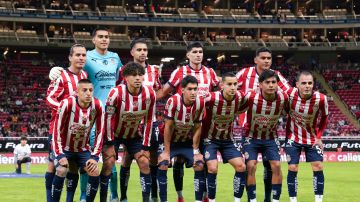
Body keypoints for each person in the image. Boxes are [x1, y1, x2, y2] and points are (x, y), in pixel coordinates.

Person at [49, 27, 122, 202]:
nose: (104, 40)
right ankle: (81, 197)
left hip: (109, 118)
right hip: (88, 119)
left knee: (110, 162)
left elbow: (123, 76)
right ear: (93, 40)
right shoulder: (87, 57)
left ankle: (113, 196)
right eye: (101, 37)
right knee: (77, 166)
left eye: (107, 37)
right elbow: (72, 67)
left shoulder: (115, 58)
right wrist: (54, 70)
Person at [157, 41, 219, 202]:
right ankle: (180, 196)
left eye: (201, 52)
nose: (198, 54)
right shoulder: (180, 72)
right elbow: (164, 91)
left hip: (204, 123)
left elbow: (219, 92)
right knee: (178, 161)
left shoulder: (210, 72)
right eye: (195, 52)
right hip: (181, 122)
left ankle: (204, 196)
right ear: (188, 55)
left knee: (203, 160)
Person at [235, 47, 291, 202]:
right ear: (256, 60)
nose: (266, 61)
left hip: (269, 130)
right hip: (249, 129)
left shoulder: (276, 76)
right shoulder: (244, 74)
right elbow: (229, 86)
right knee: (250, 166)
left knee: (271, 166)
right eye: (263, 58)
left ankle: (268, 198)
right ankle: (250, 198)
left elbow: (290, 92)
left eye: (269, 58)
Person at [116, 38, 162, 202]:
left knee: (152, 158)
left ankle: (153, 195)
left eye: (145, 50)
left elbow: (159, 91)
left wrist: (151, 101)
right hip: (130, 123)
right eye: (139, 50)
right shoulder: (124, 70)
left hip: (151, 121)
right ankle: (123, 196)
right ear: (132, 52)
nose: (143, 52)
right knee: (127, 157)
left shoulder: (155, 71)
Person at [103, 62, 156, 202]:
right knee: (108, 164)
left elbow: (149, 120)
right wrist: (109, 144)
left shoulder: (150, 94)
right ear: (125, 77)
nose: (138, 78)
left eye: (140, 75)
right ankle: (108, 197)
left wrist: (146, 146)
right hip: (114, 135)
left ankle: (145, 199)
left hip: (133, 136)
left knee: (145, 163)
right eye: (134, 75)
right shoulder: (116, 93)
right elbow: (107, 118)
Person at [45, 44, 88, 202]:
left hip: (77, 131)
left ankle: (69, 199)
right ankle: (49, 199)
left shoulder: (85, 75)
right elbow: (49, 98)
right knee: (55, 166)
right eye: (77, 55)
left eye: (83, 55)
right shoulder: (61, 76)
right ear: (70, 57)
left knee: (74, 167)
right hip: (58, 130)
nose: (81, 58)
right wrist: (65, 109)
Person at [51, 79, 104, 202]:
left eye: (91, 90)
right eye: (84, 90)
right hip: (64, 147)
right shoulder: (66, 104)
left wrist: (95, 156)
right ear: (77, 92)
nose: (88, 93)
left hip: (82, 149)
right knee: (61, 170)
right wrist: (60, 154)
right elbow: (56, 130)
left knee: (95, 171)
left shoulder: (98, 105)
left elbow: (100, 132)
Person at [157, 75, 206, 202]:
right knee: (163, 164)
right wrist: (166, 152)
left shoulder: (200, 102)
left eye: (195, 89)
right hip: (170, 142)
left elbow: (197, 127)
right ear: (182, 90)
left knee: (199, 164)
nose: (193, 92)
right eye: (190, 89)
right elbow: (168, 128)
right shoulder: (173, 101)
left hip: (186, 142)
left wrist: (196, 152)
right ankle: (169, 199)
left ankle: (198, 200)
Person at [284, 71, 328, 202]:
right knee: (292, 167)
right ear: (297, 84)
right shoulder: (289, 94)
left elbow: (325, 118)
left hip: (312, 138)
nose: (307, 86)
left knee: (318, 166)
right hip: (293, 137)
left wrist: (319, 137)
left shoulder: (321, 98)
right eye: (304, 83)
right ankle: (293, 200)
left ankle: (318, 199)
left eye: (310, 83)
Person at [202, 72, 246, 202]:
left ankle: (236, 200)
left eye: (235, 84)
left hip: (228, 140)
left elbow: (248, 103)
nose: (233, 87)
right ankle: (211, 200)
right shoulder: (210, 97)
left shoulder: (240, 97)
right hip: (210, 139)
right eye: (229, 84)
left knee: (241, 167)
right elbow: (196, 103)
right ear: (221, 85)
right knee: (213, 168)